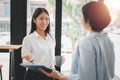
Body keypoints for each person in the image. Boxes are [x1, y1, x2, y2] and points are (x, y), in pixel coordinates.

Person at [40, 1, 115, 80]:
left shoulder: (87, 43)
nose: (81, 20)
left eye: (82, 16)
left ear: (88, 20)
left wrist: (59, 76)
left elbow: (86, 78)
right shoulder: (108, 41)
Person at [21, 7, 56, 80]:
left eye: (47, 19)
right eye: (41, 18)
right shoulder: (28, 39)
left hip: (50, 75)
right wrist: (31, 60)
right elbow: (25, 62)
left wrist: (57, 62)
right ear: (34, 20)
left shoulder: (51, 38)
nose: (44, 22)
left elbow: (50, 59)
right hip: (34, 76)